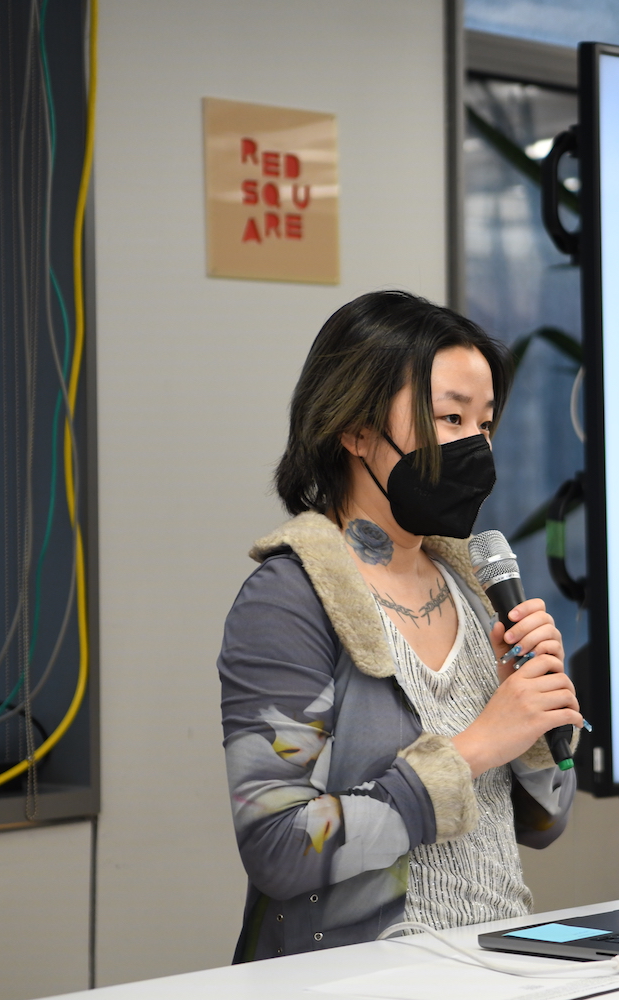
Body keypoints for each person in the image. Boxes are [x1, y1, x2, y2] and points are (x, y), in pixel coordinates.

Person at [218, 290, 581, 962]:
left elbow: (542, 824)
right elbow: (277, 849)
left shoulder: (475, 593)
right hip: (363, 975)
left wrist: (536, 721)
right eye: (450, 418)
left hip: (500, 961)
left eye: (486, 423)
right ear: (355, 430)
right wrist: (473, 748)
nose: (476, 446)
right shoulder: (290, 598)